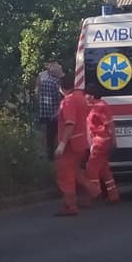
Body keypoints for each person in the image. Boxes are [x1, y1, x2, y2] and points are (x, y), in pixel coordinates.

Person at [54, 73, 91, 216]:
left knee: (65, 174)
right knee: (75, 172)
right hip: (80, 142)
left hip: (71, 144)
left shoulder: (68, 101)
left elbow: (70, 124)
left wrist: (61, 144)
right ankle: (93, 191)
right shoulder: (81, 98)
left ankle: (70, 206)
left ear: (62, 87)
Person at [85, 84, 120, 204]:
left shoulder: (99, 107)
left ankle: (94, 194)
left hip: (100, 141)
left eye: (87, 94)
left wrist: (114, 140)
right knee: (104, 169)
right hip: (103, 141)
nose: (85, 96)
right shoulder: (99, 105)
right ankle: (113, 195)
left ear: (92, 95)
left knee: (91, 169)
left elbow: (109, 124)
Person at [37, 60, 63, 161]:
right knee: (56, 135)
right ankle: (55, 157)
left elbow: (39, 93)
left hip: (45, 112)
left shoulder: (45, 81)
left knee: (48, 135)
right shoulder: (55, 82)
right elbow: (60, 98)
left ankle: (48, 156)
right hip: (55, 113)